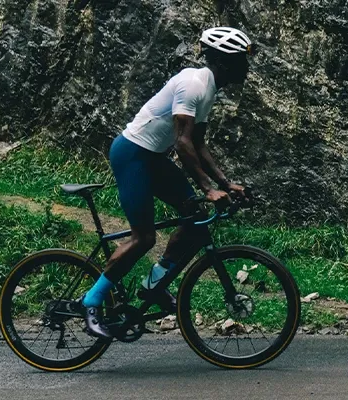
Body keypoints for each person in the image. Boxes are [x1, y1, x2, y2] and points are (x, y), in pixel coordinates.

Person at [83, 27, 256, 337]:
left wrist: (225, 183)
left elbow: (199, 145)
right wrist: (208, 188)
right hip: (133, 154)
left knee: (196, 218)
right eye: (243, 60)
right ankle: (92, 302)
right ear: (226, 61)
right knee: (143, 238)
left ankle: (153, 285)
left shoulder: (208, 89)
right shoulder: (193, 84)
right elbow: (182, 143)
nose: (247, 67)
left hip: (152, 158)